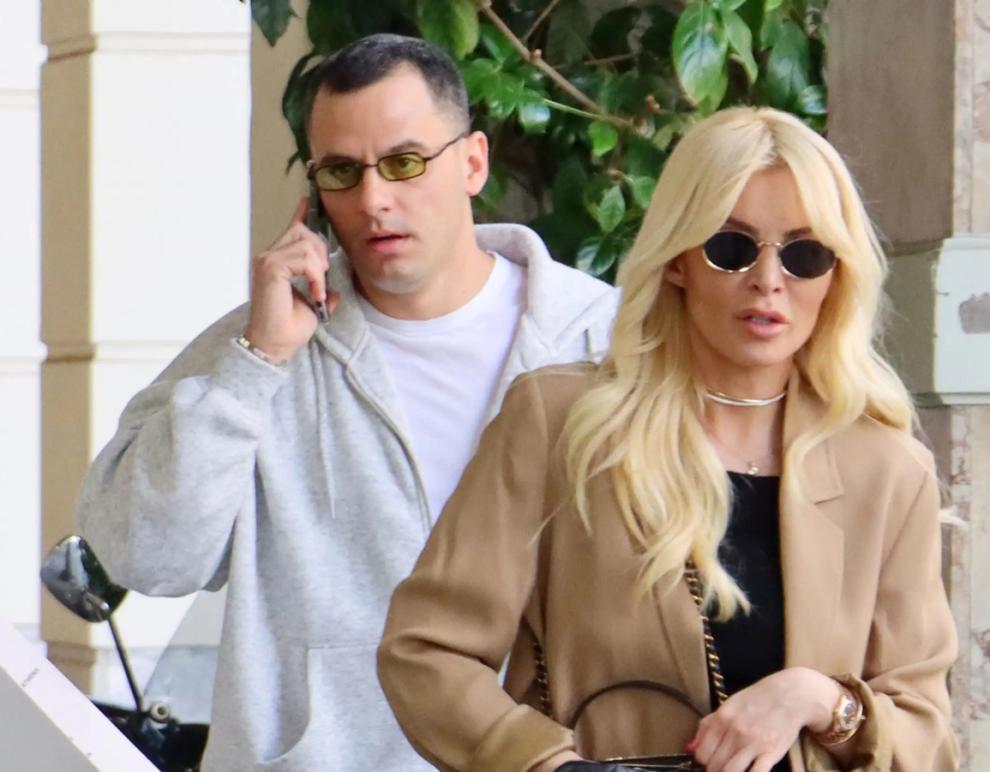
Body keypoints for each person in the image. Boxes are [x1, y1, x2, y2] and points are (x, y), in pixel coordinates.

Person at [74, 33, 617, 771]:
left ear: (473, 162)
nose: (372, 200)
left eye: (404, 162)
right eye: (341, 171)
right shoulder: (259, 343)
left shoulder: (601, 338)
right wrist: (256, 363)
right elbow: (145, 557)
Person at [377, 106, 959, 772]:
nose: (769, 280)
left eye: (806, 255)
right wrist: (544, 765)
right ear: (679, 258)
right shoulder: (561, 424)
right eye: (732, 247)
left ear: (837, 275)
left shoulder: (887, 471)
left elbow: (927, 737)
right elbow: (426, 650)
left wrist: (820, 699)